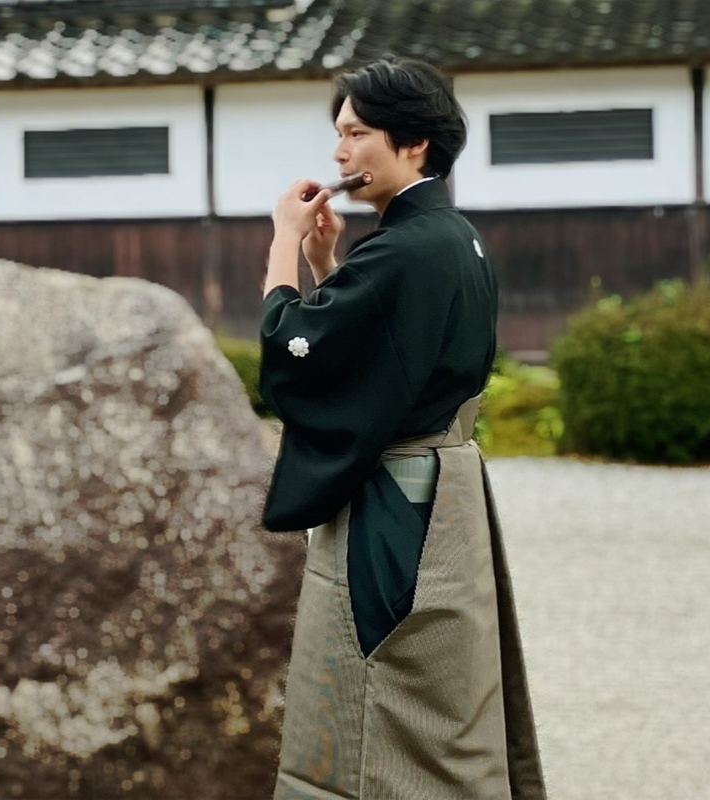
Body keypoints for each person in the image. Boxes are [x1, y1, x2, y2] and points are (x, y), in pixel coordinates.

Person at [259, 57, 546, 800]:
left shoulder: (407, 247)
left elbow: (296, 353)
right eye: (338, 134)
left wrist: (284, 242)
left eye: (357, 133)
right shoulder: (451, 236)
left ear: (414, 143)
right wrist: (327, 261)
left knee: (375, 688)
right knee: (440, 701)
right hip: (446, 495)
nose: (339, 153)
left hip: (397, 504)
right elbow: (382, 354)